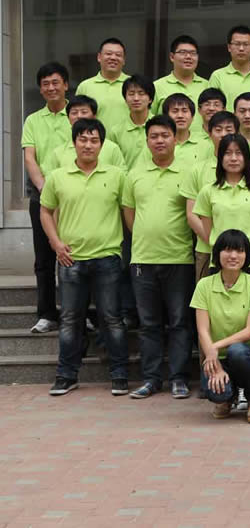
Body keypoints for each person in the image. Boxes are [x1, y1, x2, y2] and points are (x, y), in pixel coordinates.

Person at [41, 118, 129, 397]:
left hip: (107, 257)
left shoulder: (117, 175)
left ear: (102, 145)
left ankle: (120, 374)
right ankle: (66, 375)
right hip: (71, 259)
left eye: (94, 140)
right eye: (83, 139)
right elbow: (45, 211)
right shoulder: (58, 176)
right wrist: (56, 243)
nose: (88, 145)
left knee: (112, 319)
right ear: (74, 142)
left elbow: (128, 212)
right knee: (69, 319)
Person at [122, 115, 195, 399]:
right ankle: (151, 379)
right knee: (148, 323)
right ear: (147, 140)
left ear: (175, 138)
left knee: (179, 322)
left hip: (179, 259)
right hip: (143, 259)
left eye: (165, 135)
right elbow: (129, 215)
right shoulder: (135, 174)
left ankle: (178, 378)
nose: (160, 141)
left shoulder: (189, 172)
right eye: (154, 136)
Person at [192, 230, 250, 423]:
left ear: (246, 255)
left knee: (237, 351)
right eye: (227, 250)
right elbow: (202, 330)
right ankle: (228, 397)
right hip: (217, 358)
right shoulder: (204, 285)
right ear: (217, 254)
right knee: (217, 392)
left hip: (249, 358)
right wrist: (215, 363)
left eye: (239, 251)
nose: (233, 256)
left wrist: (214, 347)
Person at [23, 62, 70, 334]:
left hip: (73, 198)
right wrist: (44, 189)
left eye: (56, 82)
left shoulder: (75, 115)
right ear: (41, 90)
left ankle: (77, 313)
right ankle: (47, 313)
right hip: (42, 197)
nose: (51, 88)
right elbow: (30, 158)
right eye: (46, 84)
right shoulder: (33, 120)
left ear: (66, 85)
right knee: (44, 258)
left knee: (76, 255)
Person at [192, 133, 250, 283]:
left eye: (239, 153)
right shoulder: (207, 191)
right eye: (228, 153)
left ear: (246, 157)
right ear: (220, 157)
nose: (233, 158)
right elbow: (210, 231)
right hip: (221, 261)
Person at [181, 110, 238, 281]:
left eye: (229, 129)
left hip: (241, 251)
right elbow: (191, 214)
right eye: (218, 130)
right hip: (206, 249)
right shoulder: (197, 170)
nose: (223, 134)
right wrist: (215, 242)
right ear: (209, 133)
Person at [41, 95, 126, 174]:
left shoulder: (112, 148)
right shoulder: (58, 152)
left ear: (94, 116)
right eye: (74, 113)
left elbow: (122, 178)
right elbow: (50, 180)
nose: (79, 116)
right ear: (68, 117)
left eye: (84, 112)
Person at [76, 37, 130, 130]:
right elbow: (77, 120)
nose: (113, 58)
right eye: (108, 54)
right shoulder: (85, 86)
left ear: (124, 60)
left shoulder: (133, 85)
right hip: (94, 138)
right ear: (99, 57)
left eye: (118, 55)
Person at [210, 25, 250, 111]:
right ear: (229, 47)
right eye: (237, 44)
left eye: (246, 44)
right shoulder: (218, 76)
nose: (241, 48)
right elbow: (212, 108)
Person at [153, 35, 210, 114]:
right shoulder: (157, 86)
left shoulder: (207, 86)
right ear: (172, 57)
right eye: (183, 52)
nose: (188, 56)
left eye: (193, 53)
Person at [110, 74, 155, 170]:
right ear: (125, 99)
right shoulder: (116, 131)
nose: (136, 98)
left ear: (150, 99)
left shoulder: (161, 128)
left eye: (141, 93)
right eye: (131, 94)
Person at [162, 93, 208, 166]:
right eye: (175, 111)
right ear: (166, 116)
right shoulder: (159, 144)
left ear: (192, 117)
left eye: (184, 111)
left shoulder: (206, 145)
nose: (180, 116)